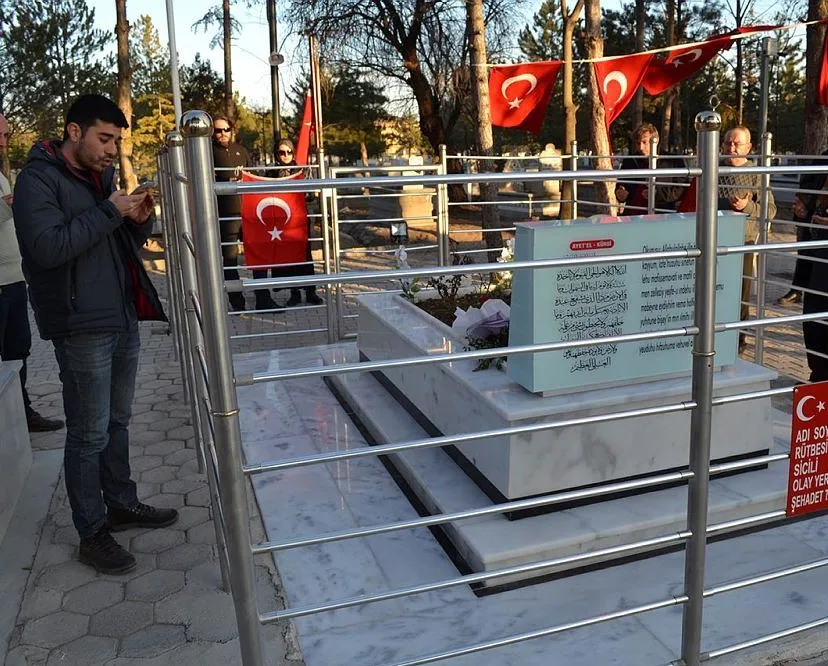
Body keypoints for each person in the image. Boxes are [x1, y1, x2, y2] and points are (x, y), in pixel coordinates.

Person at [13, 94, 176, 574]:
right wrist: (111, 211)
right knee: (87, 433)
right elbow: (48, 249)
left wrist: (139, 220)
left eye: (117, 140)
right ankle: (92, 532)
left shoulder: (99, 177)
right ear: (73, 131)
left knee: (117, 421)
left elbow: (113, 238)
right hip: (81, 324)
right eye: (104, 139)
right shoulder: (36, 180)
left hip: (120, 313)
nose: (112, 150)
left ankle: (122, 503)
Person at [0, 111, 63, 433]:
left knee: (17, 352)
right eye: (1, 134)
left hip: (13, 280)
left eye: (7, 135)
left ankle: (21, 415)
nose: (4, 141)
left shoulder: (0, 174)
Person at [718, 126, 777, 351]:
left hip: (743, 244)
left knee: (738, 296)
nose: (730, 148)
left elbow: (770, 210)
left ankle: (737, 343)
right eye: (727, 143)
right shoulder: (713, 169)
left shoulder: (756, 173)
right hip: (712, 241)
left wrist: (748, 206)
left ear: (749, 148)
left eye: (736, 144)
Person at [212, 115, 277, 311]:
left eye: (226, 129)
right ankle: (237, 302)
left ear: (232, 130)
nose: (223, 134)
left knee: (258, 257)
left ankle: (263, 300)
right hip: (226, 216)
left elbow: (254, 177)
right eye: (218, 130)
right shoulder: (208, 153)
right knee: (230, 260)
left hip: (248, 213)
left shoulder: (241, 151)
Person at [266, 138, 322, 307]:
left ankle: (311, 292)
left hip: (299, 220)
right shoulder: (271, 173)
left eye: (288, 152)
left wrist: (304, 193)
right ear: (277, 154)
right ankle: (294, 292)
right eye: (282, 152)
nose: (285, 156)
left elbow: (311, 195)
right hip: (282, 223)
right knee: (289, 258)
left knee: (305, 256)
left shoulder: (301, 170)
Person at [777, 151, 828, 306]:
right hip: (814, 213)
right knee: (805, 252)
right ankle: (797, 290)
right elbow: (807, 182)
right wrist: (801, 204)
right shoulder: (823, 157)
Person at [615, 123, 683, 214]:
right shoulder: (630, 161)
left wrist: (657, 195)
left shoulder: (672, 160)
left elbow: (680, 189)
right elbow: (621, 186)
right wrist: (620, 194)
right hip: (632, 217)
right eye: (638, 143)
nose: (640, 147)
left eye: (644, 142)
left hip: (662, 216)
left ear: (656, 140)